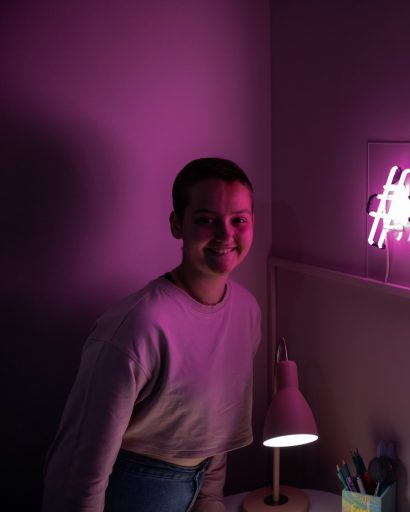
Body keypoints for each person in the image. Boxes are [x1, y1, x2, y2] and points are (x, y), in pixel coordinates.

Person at [42, 158, 261, 512]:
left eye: (239, 220)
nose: (225, 234)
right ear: (178, 224)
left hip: (192, 489)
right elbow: (83, 465)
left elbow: (213, 427)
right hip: (129, 491)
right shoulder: (139, 324)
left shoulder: (247, 311)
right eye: (206, 220)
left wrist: (210, 500)